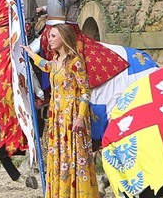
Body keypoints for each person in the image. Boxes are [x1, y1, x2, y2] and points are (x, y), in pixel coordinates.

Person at [22, 24, 98, 198]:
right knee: (60, 155)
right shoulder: (55, 62)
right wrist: (31, 53)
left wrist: (80, 117)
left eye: (53, 36)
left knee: (74, 156)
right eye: (50, 36)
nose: (49, 39)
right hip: (57, 117)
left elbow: (85, 90)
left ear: (63, 38)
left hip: (72, 116)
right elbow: (46, 66)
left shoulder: (75, 62)